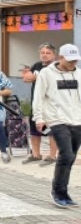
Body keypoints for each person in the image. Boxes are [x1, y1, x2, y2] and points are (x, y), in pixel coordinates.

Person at [32, 43, 81, 208]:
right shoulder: (46, 74)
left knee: (71, 157)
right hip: (56, 120)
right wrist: (39, 118)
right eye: (70, 60)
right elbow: (38, 97)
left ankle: (64, 192)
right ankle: (57, 191)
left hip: (77, 120)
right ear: (61, 58)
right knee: (66, 155)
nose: (73, 64)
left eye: (76, 60)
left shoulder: (79, 74)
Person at [21, 42, 59, 165]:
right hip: (36, 102)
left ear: (54, 55)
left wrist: (37, 78)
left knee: (51, 129)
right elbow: (26, 79)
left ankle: (52, 155)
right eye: (42, 53)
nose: (45, 55)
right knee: (34, 128)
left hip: (50, 104)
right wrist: (27, 75)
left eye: (48, 53)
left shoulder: (56, 67)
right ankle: (36, 154)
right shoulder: (37, 65)